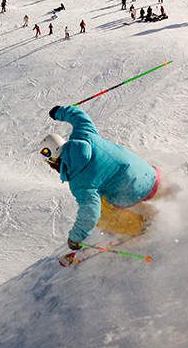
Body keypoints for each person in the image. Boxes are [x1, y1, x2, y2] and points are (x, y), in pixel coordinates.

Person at [40, 105, 161, 249]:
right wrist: (58, 112)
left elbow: (91, 213)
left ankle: (141, 225)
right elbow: (79, 116)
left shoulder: (79, 182)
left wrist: (75, 238)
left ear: (54, 160)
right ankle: (164, 193)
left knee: (101, 214)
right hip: (152, 176)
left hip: (135, 194)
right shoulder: (84, 134)